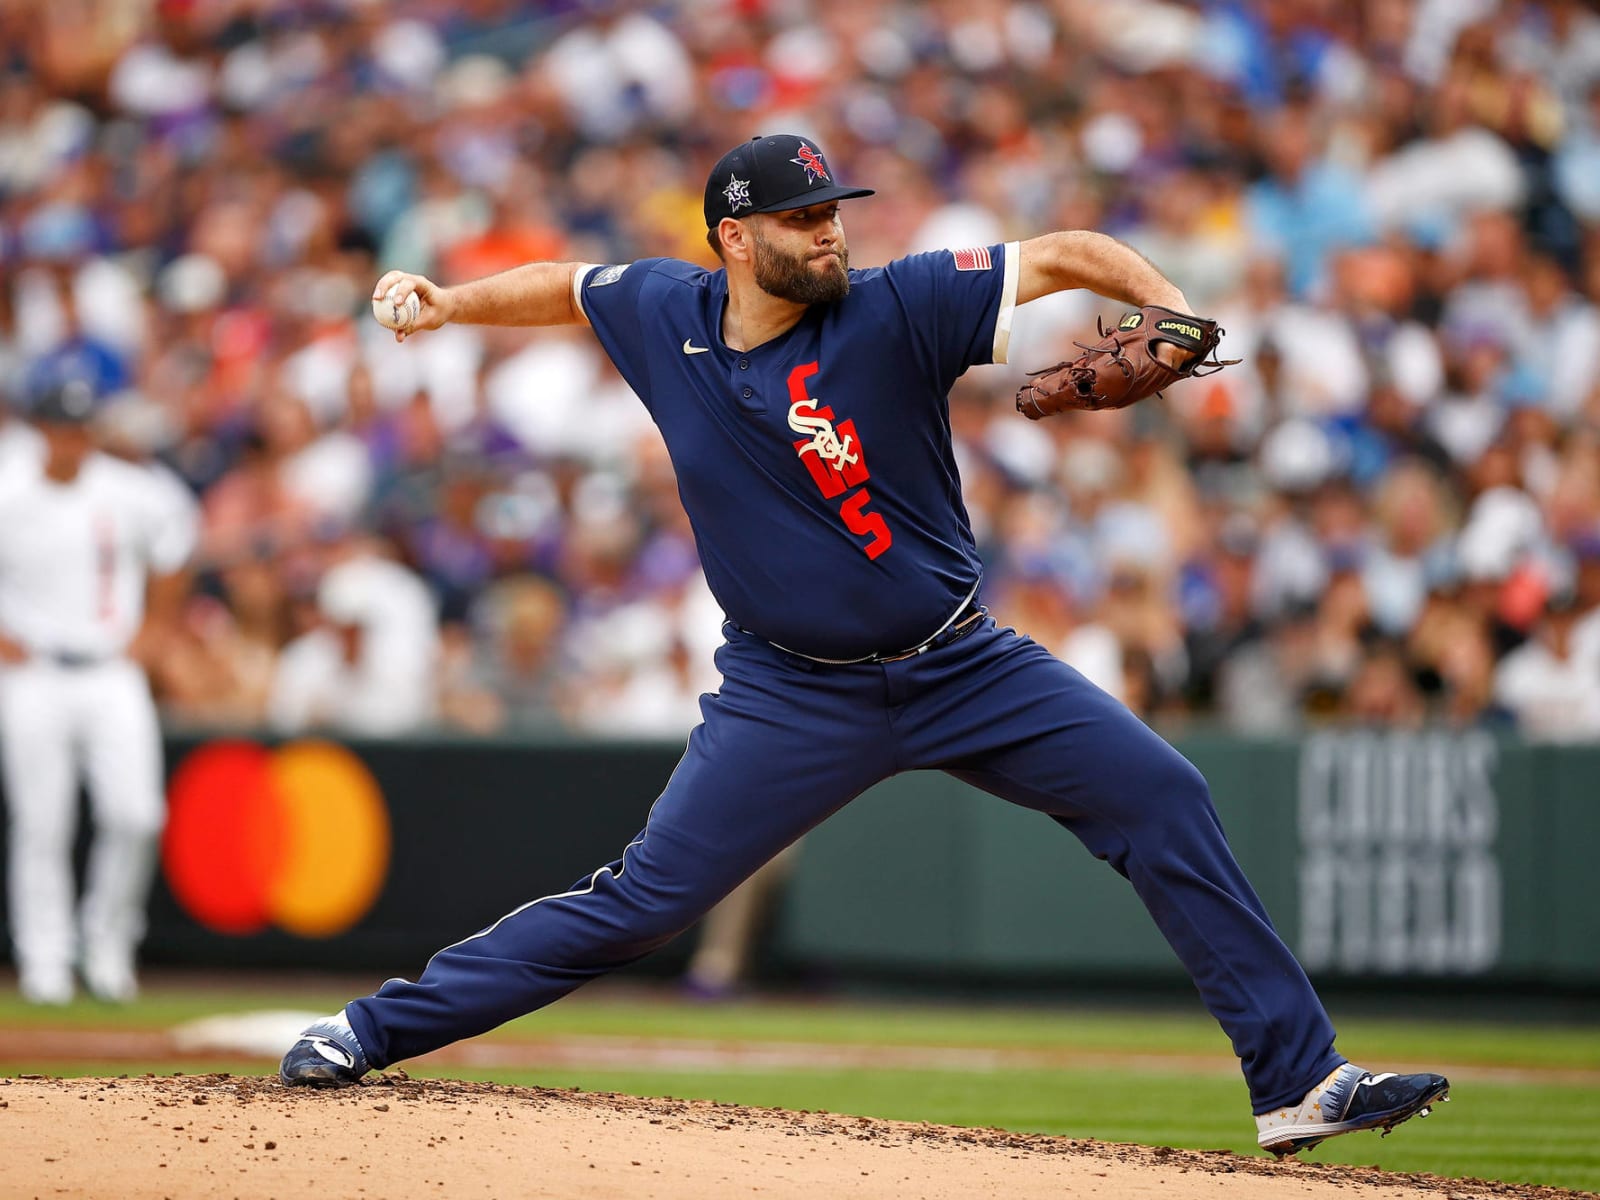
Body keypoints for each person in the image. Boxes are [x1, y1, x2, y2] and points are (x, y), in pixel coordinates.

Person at [281, 134, 1449, 1156]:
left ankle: (1297, 1081)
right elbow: (567, 286)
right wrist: (447, 301)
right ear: (735, 239)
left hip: (963, 665)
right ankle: (367, 1031)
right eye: (802, 218)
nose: (829, 232)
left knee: (1162, 793)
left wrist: (1176, 310)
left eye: (835, 210)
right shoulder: (665, 314)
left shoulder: (898, 307)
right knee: (640, 903)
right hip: (790, 695)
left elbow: (1069, 252)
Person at [0, 379, 197, 1004]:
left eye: (80, 428)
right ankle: (45, 959)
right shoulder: (9, 484)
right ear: (40, 428)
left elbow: (178, 546)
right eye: (60, 426)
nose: (70, 440)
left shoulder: (127, 488)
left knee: (136, 813)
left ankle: (107, 945)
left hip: (111, 666)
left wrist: (154, 630)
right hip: (33, 671)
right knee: (42, 820)